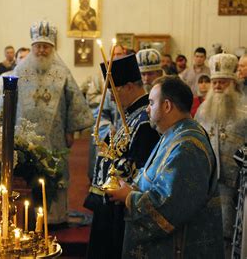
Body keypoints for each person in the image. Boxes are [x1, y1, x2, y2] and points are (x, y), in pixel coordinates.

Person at [106, 76, 224, 258]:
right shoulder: (175, 133)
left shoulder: (187, 147)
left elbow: (169, 208)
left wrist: (129, 197)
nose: (147, 108)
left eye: (151, 103)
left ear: (167, 106)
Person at [13, 20, 93, 224]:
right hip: (24, 136)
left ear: (52, 48)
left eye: (46, 46)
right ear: (32, 48)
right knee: (27, 173)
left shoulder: (62, 72)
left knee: (56, 173)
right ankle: (28, 217)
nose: (41, 50)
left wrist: (71, 130)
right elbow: (8, 99)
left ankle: (54, 218)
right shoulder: (20, 71)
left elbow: (74, 101)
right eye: (38, 46)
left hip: (55, 136)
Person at [84, 54, 160, 259]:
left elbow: (140, 165)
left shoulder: (145, 121)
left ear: (128, 86)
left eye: (112, 90)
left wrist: (109, 162)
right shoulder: (133, 114)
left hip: (122, 205)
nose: (109, 96)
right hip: (112, 202)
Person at [195, 53, 247, 255]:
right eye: (215, 82)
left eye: (223, 82)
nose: (217, 87)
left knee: (231, 232)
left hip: (237, 185)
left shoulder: (245, 113)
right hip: (207, 183)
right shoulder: (202, 111)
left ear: (233, 84)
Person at [0, 47, 30, 114]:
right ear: (16, 61)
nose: (24, 60)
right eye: (21, 57)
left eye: (27, 58)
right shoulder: (4, 77)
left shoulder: (36, 80)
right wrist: (5, 98)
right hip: (7, 114)